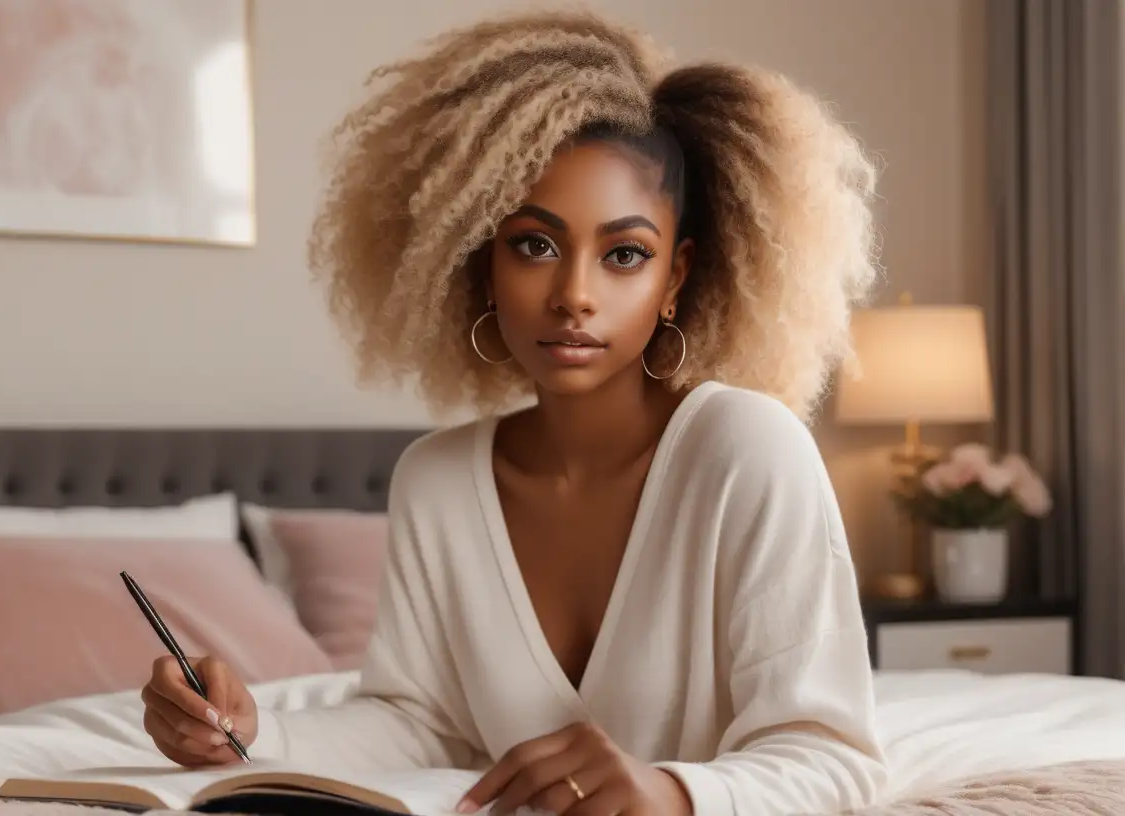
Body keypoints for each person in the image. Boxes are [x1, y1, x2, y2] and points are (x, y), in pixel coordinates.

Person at [141, 9, 888, 815]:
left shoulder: (747, 450)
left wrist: (669, 794)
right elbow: (420, 724)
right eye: (534, 244)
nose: (573, 295)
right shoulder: (437, 479)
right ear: (479, 262)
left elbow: (835, 759)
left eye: (625, 255)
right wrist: (251, 730)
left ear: (676, 278)